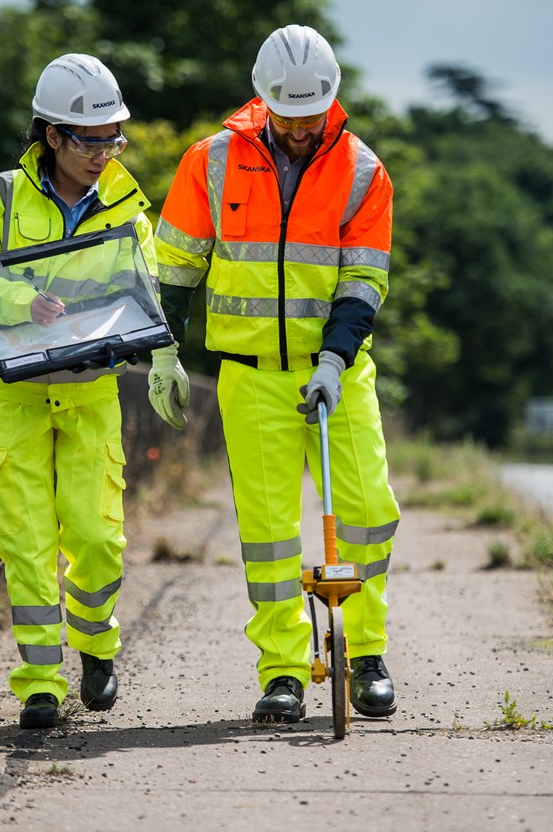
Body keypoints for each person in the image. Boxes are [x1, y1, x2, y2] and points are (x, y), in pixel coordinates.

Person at [148, 24, 400, 723]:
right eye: (286, 114)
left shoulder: (362, 172)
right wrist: (163, 351)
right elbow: (173, 270)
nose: (299, 127)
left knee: (369, 515)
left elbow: (362, 283)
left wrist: (332, 359)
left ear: (332, 100)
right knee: (267, 533)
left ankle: (366, 653)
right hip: (250, 376)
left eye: (311, 113)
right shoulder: (210, 161)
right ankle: (285, 671)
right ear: (262, 102)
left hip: (338, 374)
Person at [0, 54, 156, 730]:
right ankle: (38, 684)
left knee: (95, 537)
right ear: (53, 136)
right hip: (15, 398)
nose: (105, 153)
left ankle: (95, 646)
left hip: (91, 394)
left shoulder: (128, 208)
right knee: (26, 544)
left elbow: (142, 292)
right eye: (91, 140)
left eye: (113, 137)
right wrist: (19, 302)